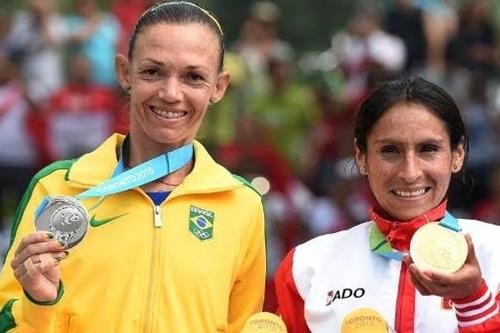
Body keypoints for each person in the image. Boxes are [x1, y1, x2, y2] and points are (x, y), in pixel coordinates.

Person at [0, 2, 266, 332]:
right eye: (152, 71)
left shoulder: (241, 205)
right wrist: (39, 304)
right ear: (125, 73)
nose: (171, 93)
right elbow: (9, 321)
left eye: (193, 77)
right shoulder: (58, 189)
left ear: (219, 86)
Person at [274, 77, 500, 332]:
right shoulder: (307, 265)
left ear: (457, 155)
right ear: (361, 157)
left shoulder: (495, 254)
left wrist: (473, 300)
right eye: (390, 150)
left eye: (428, 149)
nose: (410, 172)